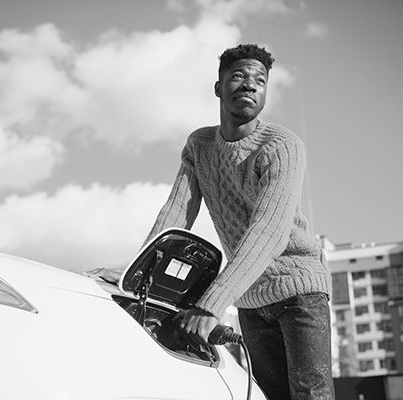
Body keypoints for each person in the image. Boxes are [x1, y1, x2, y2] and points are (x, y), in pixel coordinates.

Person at [91, 44, 334, 400]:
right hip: (250, 298)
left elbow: (269, 232)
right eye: (238, 76)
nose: (249, 85)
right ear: (218, 87)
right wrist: (138, 269)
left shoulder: (282, 146)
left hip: (300, 289)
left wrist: (210, 305)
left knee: (311, 396)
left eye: (260, 80)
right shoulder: (200, 145)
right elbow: (175, 215)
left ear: (266, 93)